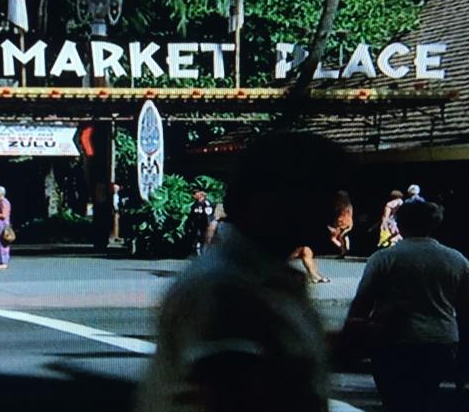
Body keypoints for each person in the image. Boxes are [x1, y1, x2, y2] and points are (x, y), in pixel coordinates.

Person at [134, 132, 353, 412]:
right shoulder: (228, 289)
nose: (332, 211)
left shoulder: (259, 277)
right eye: (319, 194)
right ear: (271, 199)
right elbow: (240, 392)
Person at [343, 201, 469, 412]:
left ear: (400, 224)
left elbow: (363, 302)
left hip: (393, 340)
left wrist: (352, 336)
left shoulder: (384, 258)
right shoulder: (457, 260)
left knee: (395, 401)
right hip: (441, 341)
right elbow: (465, 309)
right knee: (424, 399)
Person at [188, 189, 214, 256]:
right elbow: (192, 215)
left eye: (195, 193)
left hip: (204, 224)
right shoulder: (195, 204)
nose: (194, 195)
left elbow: (209, 214)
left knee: (202, 236)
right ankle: (196, 249)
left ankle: (203, 251)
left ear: (200, 194)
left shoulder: (206, 203)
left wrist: (208, 224)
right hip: (196, 224)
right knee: (196, 236)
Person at [329, 190, 354, 258]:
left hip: (342, 223)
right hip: (346, 223)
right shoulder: (348, 205)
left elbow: (339, 214)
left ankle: (344, 249)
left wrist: (336, 224)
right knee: (340, 237)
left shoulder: (341, 205)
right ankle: (344, 250)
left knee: (337, 237)